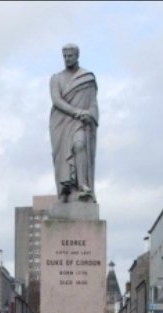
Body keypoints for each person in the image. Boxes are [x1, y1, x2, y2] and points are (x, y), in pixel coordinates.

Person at [49, 43, 99, 203]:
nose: (67, 59)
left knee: (79, 145)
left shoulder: (87, 78)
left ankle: (83, 185)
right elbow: (57, 101)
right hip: (61, 122)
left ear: (77, 56)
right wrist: (77, 112)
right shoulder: (56, 78)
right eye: (64, 56)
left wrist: (90, 116)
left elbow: (92, 103)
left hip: (80, 123)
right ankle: (65, 190)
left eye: (70, 56)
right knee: (62, 156)